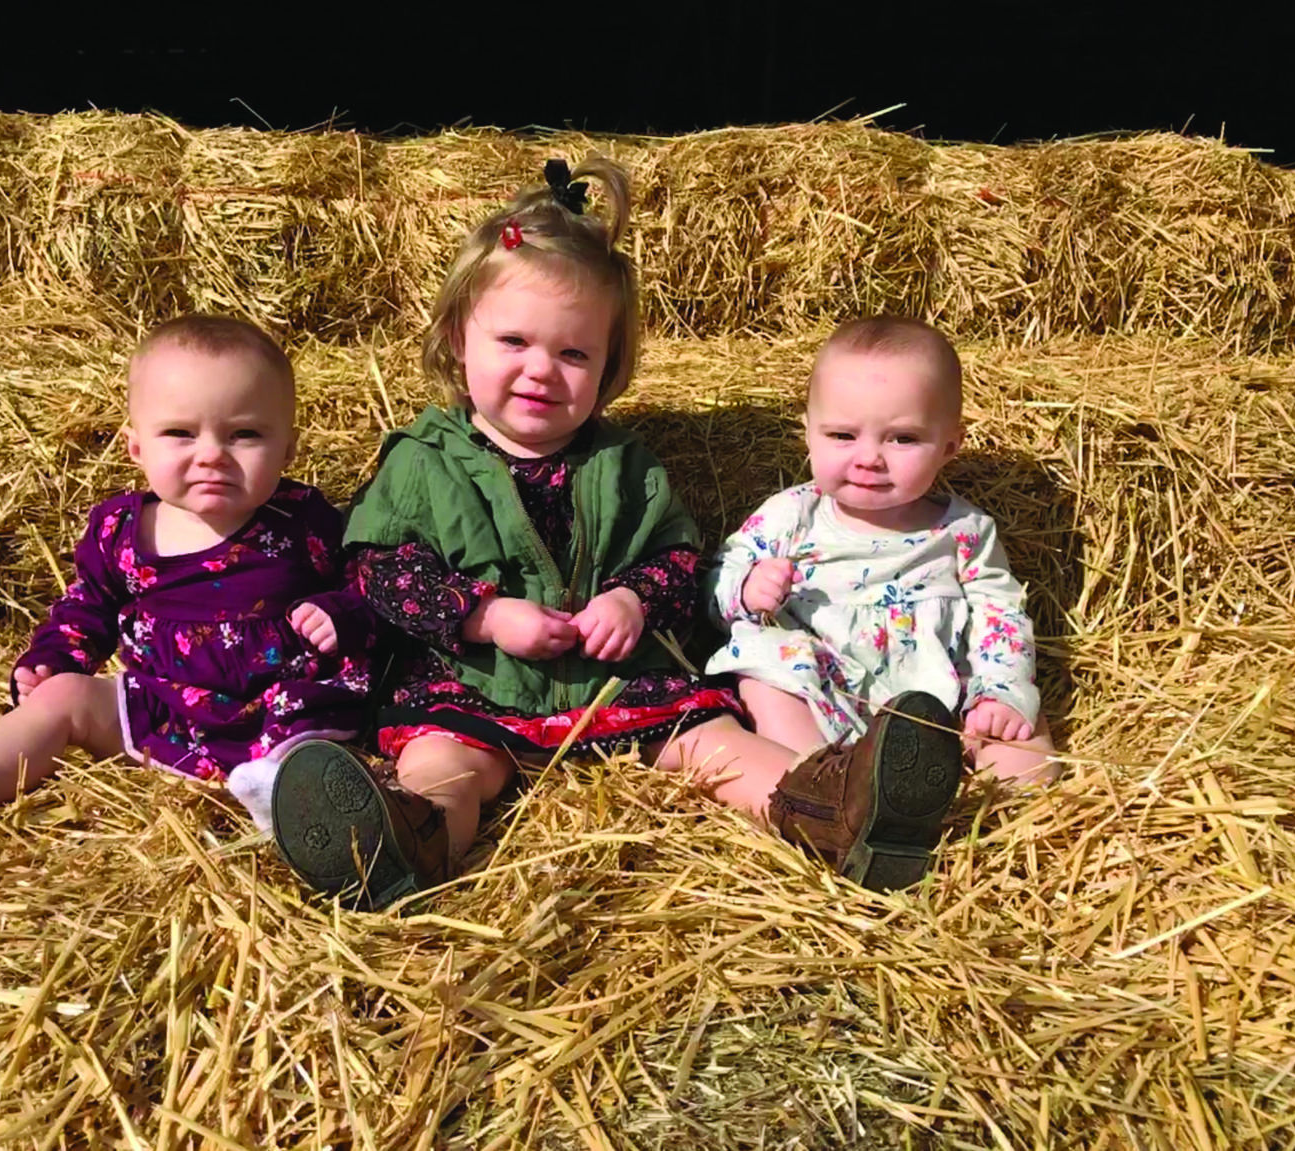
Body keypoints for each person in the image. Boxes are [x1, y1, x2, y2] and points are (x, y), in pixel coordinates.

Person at [266, 161, 967, 908]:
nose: (541, 371)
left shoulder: (625, 463)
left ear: (607, 369)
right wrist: (482, 615)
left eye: (573, 354)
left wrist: (633, 600)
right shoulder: (422, 459)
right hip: (472, 685)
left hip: (620, 688)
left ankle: (832, 814)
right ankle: (404, 843)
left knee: (714, 744)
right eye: (514, 341)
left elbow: (677, 560)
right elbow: (378, 569)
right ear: (457, 339)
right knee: (444, 766)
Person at [0, 315, 375, 834]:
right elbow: (88, 606)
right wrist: (54, 661)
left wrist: (341, 613)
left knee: (310, 731)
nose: (212, 455)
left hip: (279, 705)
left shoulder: (303, 519)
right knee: (65, 698)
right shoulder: (120, 530)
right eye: (180, 433)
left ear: (288, 448)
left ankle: (282, 798)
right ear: (137, 447)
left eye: (245, 434)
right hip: (160, 705)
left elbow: (363, 581)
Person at [707, 315, 1059, 788]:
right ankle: (822, 786)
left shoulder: (963, 532)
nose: (869, 457)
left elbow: (1001, 617)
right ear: (807, 433)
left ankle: (1010, 801)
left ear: (949, 446)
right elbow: (714, 580)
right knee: (763, 670)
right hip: (823, 693)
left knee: (1020, 736)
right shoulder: (791, 516)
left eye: (902, 438)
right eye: (842, 436)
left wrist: (1000, 695)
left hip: (940, 703)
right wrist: (746, 590)